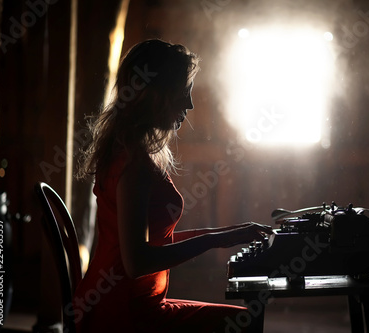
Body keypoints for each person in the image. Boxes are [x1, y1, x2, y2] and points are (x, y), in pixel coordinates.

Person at [74, 38, 272, 333]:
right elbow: (136, 262)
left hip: (124, 302)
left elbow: (152, 239)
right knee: (246, 321)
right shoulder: (133, 164)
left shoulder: (130, 151)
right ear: (156, 94)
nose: (190, 104)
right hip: (123, 313)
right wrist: (213, 241)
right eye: (184, 92)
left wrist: (226, 233)